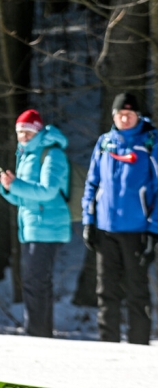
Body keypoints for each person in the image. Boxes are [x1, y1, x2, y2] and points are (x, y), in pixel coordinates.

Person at [82, 93, 158, 345]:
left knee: (137, 292)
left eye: (130, 114)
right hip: (105, 230)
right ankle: (108, 346)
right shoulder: (105, 143)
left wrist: (153, 230)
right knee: (106, 292)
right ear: (113, 116)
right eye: (120, 114)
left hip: (137, 230)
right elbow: (92, 183)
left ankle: (138, 345)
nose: (124, 118)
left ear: (138, 116)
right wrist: (88, 221)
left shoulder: (150, 142)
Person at [0, 110, 71, 338]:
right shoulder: (26, 154)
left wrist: (16, 185)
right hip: (31, 226)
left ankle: (37, 334)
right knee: (35, 282)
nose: (23, 136)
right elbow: (25, 197)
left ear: (37, 130)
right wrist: (8, 188)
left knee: (35, 282)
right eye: (20, 132)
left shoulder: (52, 153)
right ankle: (40, 333)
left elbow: (48, 191)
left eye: (28, 131)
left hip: (48, 227)